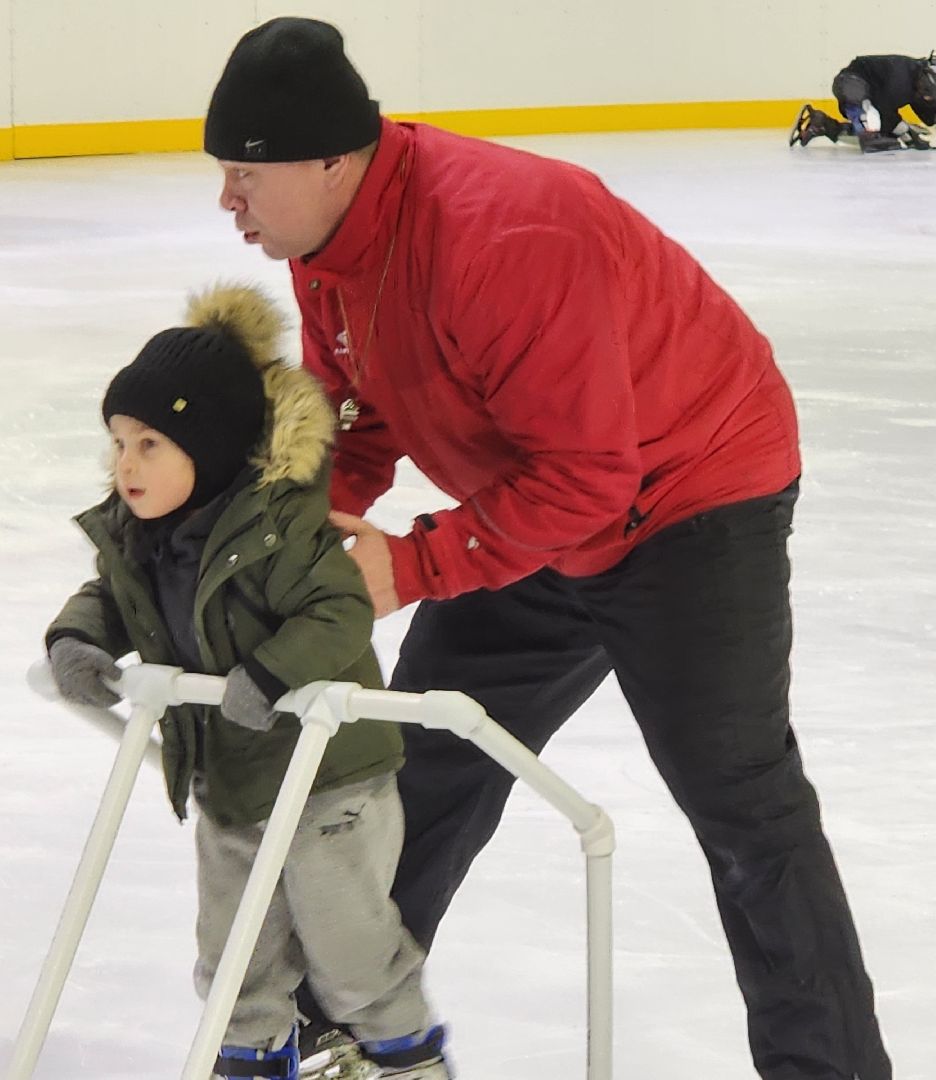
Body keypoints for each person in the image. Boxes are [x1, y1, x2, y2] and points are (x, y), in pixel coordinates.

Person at [204, 16, 892, 1080]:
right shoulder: (325, 244)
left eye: (246, 174)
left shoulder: (502, 237)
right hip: (533, 500)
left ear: (334, 159)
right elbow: (366, 408)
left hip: (688, 502)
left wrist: (416, 564)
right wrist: (293, 531)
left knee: (744, 803)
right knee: (417, 763)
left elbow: (592, 476)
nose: (227, 201)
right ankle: (336, 1027)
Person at [44, 284, 451, 1080]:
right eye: (120, 441)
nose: (125, 463)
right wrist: (77, 639)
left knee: (353, 956)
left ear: (214, 446)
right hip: (229, 784)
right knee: (235, 959)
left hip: (329, 783)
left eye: (151, 444)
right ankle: (251, 1062)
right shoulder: (139, 535)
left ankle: (410, 1064)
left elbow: (338, 613)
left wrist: (269, 673)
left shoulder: (280, 528)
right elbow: (110, 599)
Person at [790, 52, 936, 152]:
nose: (931, 99)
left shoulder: (917, 79)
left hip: (867, 93)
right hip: (850, 83)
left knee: (882, 134)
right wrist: (906, 132)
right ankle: (867, 134)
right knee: (871, 128)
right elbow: (883, 107)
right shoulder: (900, 80)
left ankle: (823, 125)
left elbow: (927, 103)